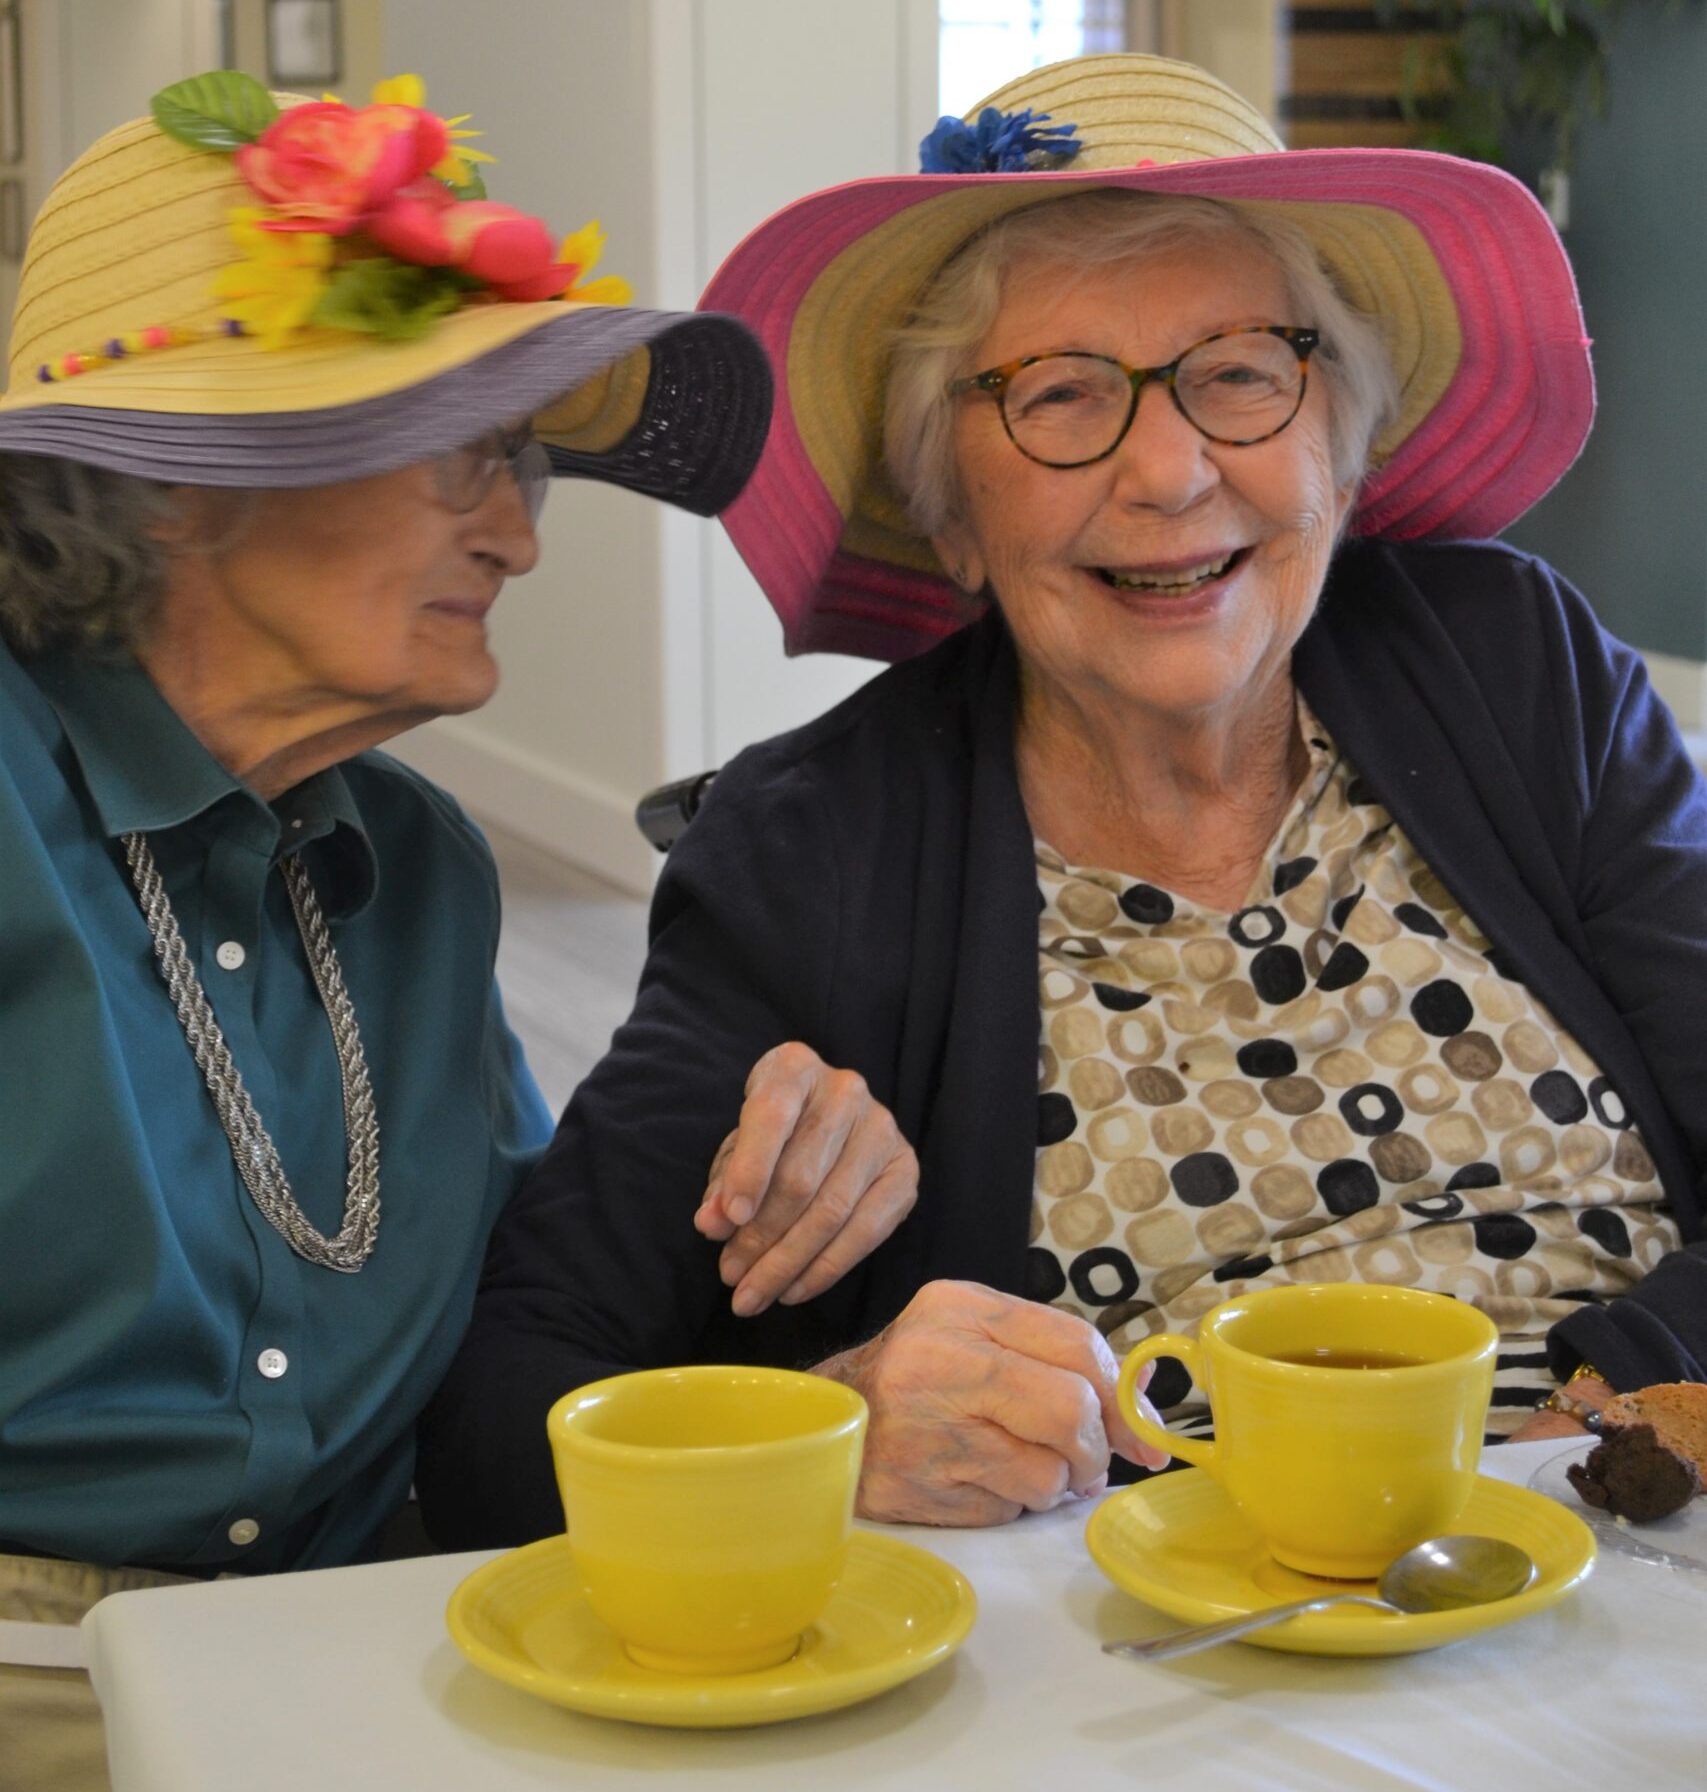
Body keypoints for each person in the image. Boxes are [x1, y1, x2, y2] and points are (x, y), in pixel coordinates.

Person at [417, 53, 1706, 1548]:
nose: (1168, 471)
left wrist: (1615, 1408)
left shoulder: (1515, 669)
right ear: (950, 516)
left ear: (1337, 452)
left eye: (1239, 373)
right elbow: (506, 1411)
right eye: (1060, 396)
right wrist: (837, 1425)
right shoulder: (812, 845)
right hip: (1177, 1648)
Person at [0, 72, 915, 1791]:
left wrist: (772, 1186)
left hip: (373, 1646)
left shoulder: (412, 865)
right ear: (184, 479)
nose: (520, 535)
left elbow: (520, 1312)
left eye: (530, 467)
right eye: (468, 458)